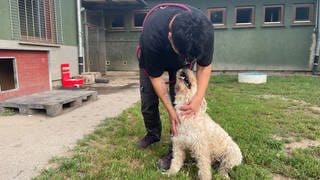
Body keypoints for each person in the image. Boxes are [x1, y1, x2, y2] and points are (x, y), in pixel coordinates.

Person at [136, 3, 214, 170]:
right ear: (170, 36)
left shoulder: (204, 30)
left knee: (183, 106)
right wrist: (170, 112)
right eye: (182, 54)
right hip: (152, 59)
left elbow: (204, 67)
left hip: (179, 66)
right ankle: (153, 134)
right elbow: (156, 78)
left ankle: (174, 149)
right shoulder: (152, 34)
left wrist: (198, 98)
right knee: (148, 101)